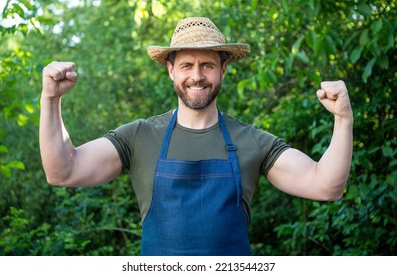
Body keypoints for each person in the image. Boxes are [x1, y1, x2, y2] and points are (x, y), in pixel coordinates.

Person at [40, 17, 353, 256]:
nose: (197, 76)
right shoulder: (140, 137)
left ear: (223, 70)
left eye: (207, 65)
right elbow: (62, 170)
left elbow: (326, 185)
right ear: (171, 71)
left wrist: (343, 119)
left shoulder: (251, 141)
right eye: (187, 65)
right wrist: (51, 99)